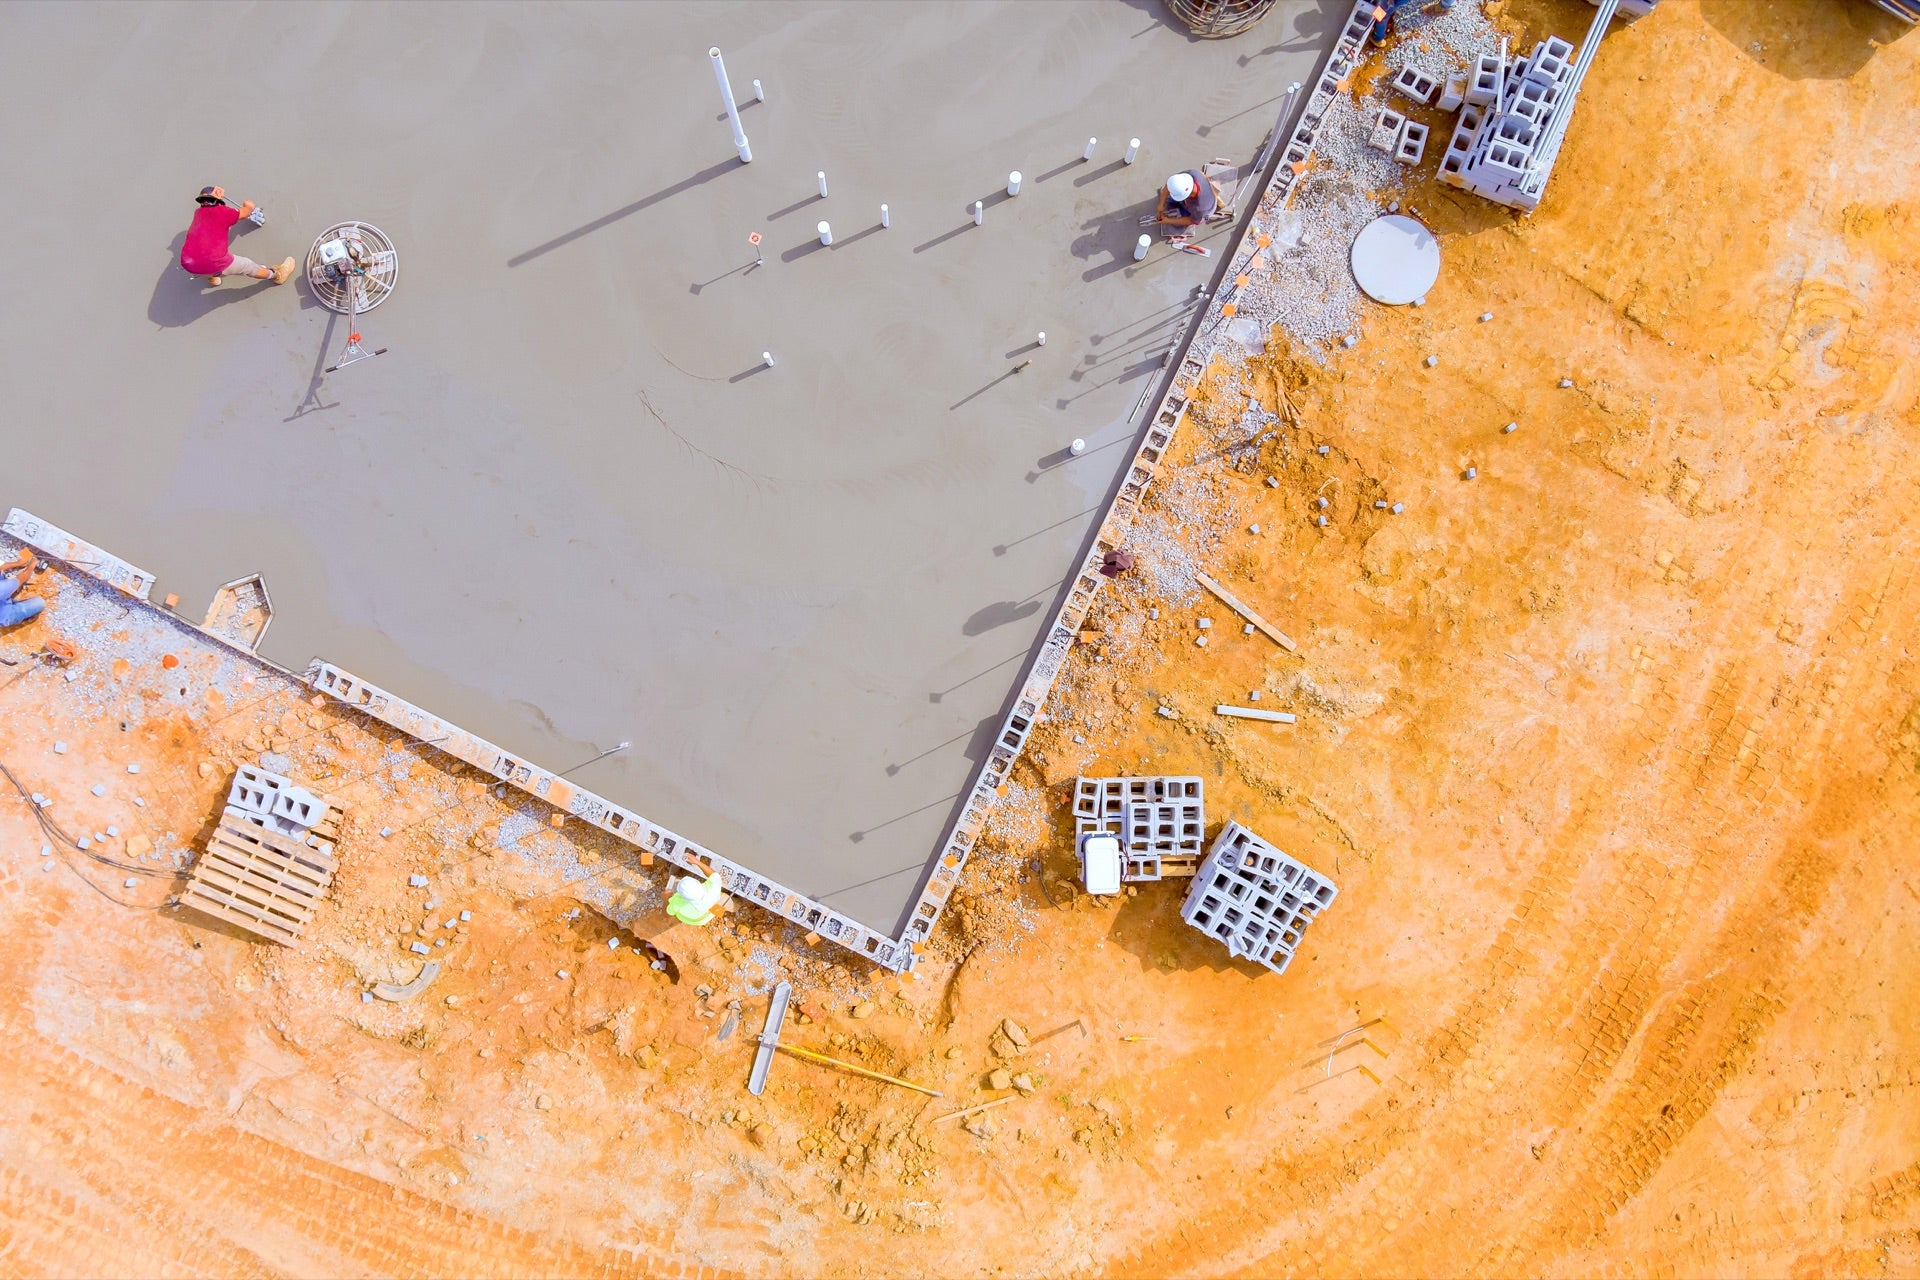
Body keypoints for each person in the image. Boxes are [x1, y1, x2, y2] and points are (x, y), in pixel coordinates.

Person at [181, 185, 294, 287]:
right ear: (218, 199)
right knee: (247, 265)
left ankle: (212, 277)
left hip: (188, 263)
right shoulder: (223, 212)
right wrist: (248, 205)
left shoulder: (198, 213)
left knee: (202, 257)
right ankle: (276, 275)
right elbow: (246, 211)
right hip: (214, 262)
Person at [1155, 170, 1222, 236]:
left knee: (1179, 221)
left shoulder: (1200, 208)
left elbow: (1191, 221)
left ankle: (1183, 212)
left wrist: (1168, 221)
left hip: (1203, 212)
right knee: (1169, 199)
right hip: (1191, 201)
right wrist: (1161, 204)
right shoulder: (1190, 174)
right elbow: (1169, 186)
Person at [0, 550, 45, 629]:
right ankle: (17, 615)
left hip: (2, 597)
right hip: (6, 614)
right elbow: (23, 577)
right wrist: (33, 563)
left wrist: (18, 563)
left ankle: (7, 597)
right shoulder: (2, 589)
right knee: (39, 603)